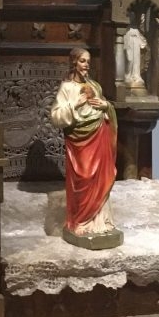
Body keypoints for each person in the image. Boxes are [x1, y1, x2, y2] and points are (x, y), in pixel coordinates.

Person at [50, 47, 122, 248]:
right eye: (82, 61)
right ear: (74, 62)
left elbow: (105, 107)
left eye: (88, 61)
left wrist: (106, 106)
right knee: (84, 178)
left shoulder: (94, 85)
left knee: (100, 177)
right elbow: (56, 117)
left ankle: (100, 222)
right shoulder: (67, 88)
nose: (86, 65)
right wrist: (76, 104)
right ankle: (80, 221)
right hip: (79, 142)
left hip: (99, 136)